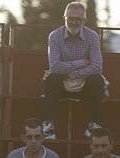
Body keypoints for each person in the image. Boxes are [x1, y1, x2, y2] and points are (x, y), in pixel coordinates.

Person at [41, 2, 105, 141]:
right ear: (65, 18)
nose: (74, 22)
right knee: (51, 78)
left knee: (97, 80)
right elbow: (55, 67)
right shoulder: (54, 36)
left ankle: (94, 125)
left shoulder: (92, 36)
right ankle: (48, 126)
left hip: (84, 83)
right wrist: (82, 62)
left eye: (78, 19)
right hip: (61, 82)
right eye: (71, 18)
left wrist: (72, 74)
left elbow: (97, 66)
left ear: (84, 20)